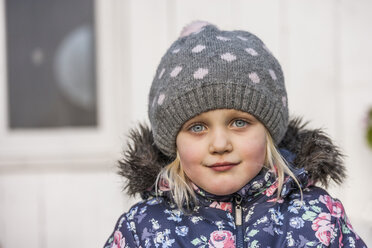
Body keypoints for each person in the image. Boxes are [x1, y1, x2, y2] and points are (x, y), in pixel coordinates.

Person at [104, 21, 367, 248]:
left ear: (268, 133)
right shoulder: (142, 228)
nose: (219, 144)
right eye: (197, 127)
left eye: (239, 122)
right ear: (173, 143)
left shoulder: (319, 216)